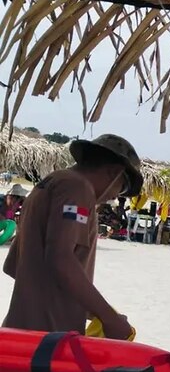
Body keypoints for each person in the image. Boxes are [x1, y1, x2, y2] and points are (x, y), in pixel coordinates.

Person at [2, 134, 143, 338]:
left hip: (18, 330)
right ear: (115, 172)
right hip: (48, 338)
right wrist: (108, 317)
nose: (115, 197)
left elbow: (14, 267)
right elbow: (60, 259)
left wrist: (91, 307)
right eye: (121, 189)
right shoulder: (78, 188)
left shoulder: (48, 184)